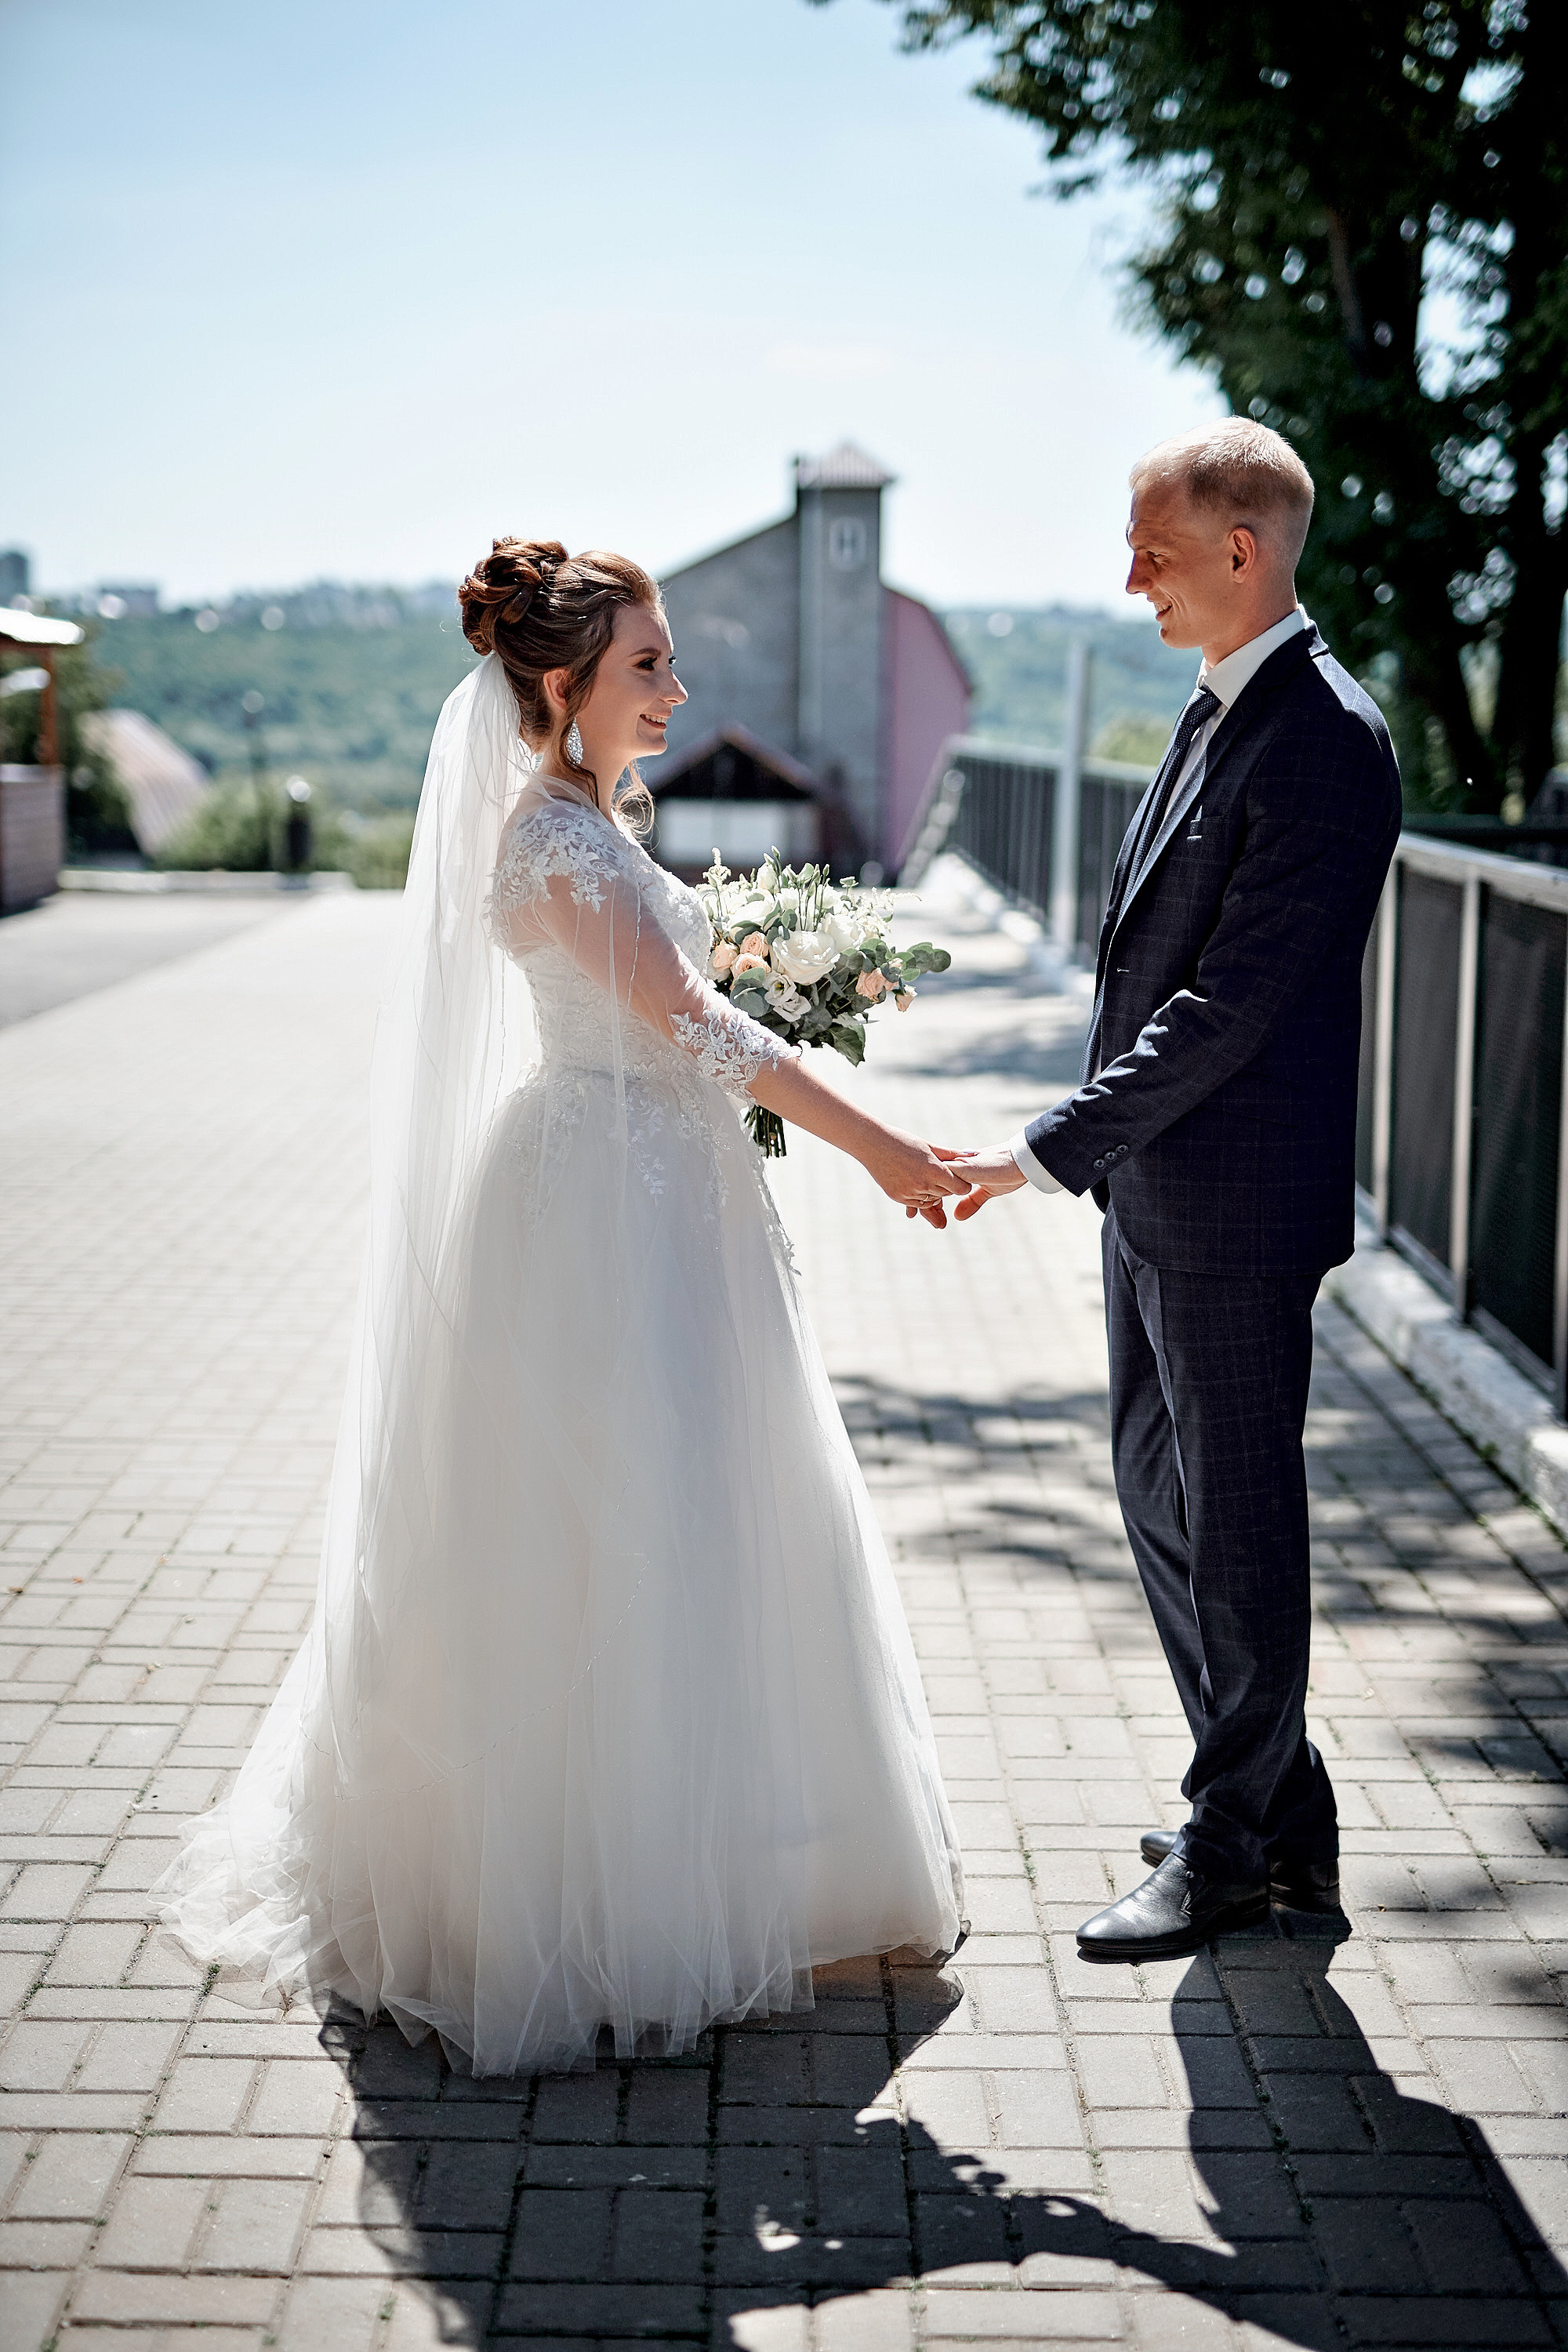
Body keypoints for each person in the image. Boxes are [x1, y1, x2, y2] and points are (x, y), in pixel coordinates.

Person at [154, 540, 967, 2073]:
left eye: (667, 662)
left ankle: (717, 1861)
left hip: (659, 1192)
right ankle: (591, 1898)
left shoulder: (594, 827)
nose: (676, 691)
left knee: (701, 1517)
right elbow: (697, 1026)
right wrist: (883, 1148)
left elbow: (686, 993)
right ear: (561, 684)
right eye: (647, 666)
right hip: (606, 1212)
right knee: (605, 1533)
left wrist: (794, 974)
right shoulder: (554, 847)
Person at [942, 420, 1401, 1962]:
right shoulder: (1222, 705)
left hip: (1234, 1211)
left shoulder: (1322, 736)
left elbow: (1228, 1006)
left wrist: (1042, 1147)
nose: (1129, 574)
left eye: (1151, 547)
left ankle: (1230, 1854)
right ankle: (1276, 1810)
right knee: (1158, 1494)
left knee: (1238, 1523)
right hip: (1160, 1195)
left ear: (1240, 550)